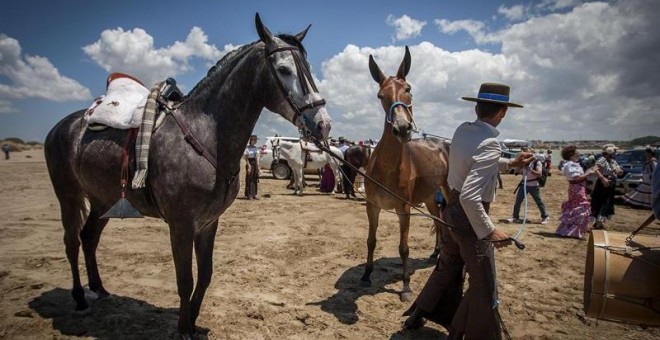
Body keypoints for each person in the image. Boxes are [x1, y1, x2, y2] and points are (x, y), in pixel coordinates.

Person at [402, 82, 533, 339]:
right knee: (483, 285)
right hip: (469, 219)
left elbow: (470, 164)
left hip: (450, 212)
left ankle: (419, 314)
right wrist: (490, 230)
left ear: (476, 107)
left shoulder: (463, 130)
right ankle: (458, 333)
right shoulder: (491, 143)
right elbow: (472, 196)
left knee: (447, 267)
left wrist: (511, 163)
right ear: (503, 111)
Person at [555, 145, 593, 239]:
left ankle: (570, 230)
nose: (579, 153)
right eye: (577, 152)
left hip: (577, 187)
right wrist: (589, 172)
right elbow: (577, 178)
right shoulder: (571, 164)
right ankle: (573, 232)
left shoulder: (572, 164)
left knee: (576, 207)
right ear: (571, 154)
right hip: (577, 187)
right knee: (581, 207)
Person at [506, 150, 550, 225]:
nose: (526, 156)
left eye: (528, 154)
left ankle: (545, 216)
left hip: (534, 186)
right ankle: (515, 217)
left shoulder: (537, 162)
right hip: (524, 184)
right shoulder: (524, 163)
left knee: (538, 201)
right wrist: (520, 165)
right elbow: (516, 172)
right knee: (518, 201)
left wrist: (530, 170)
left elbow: (539, 174)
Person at [590, 146, 623, 229]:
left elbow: (617, 170)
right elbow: (595, 168)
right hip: (603, 183)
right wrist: (602, 178)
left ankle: (599, 221)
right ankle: (598, 222)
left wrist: (619, 172)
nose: (615, 154)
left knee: (607, 202)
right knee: (601, 202)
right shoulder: (602, 159)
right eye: (614, 152)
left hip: (610, 183)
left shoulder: (612, 161)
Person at [243, 135, 260, 199]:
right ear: (251, 140)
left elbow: (257, 157)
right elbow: (246, 157)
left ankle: (254, 194)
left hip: (254, 162)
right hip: (249, 162)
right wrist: (248, 165)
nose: (255, 141)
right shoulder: (247, 148)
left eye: (256, 140)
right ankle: (249, 194)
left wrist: (258, 166)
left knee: (255, 178)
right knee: (249, 178)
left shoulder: (256, 148)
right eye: (254, 140)